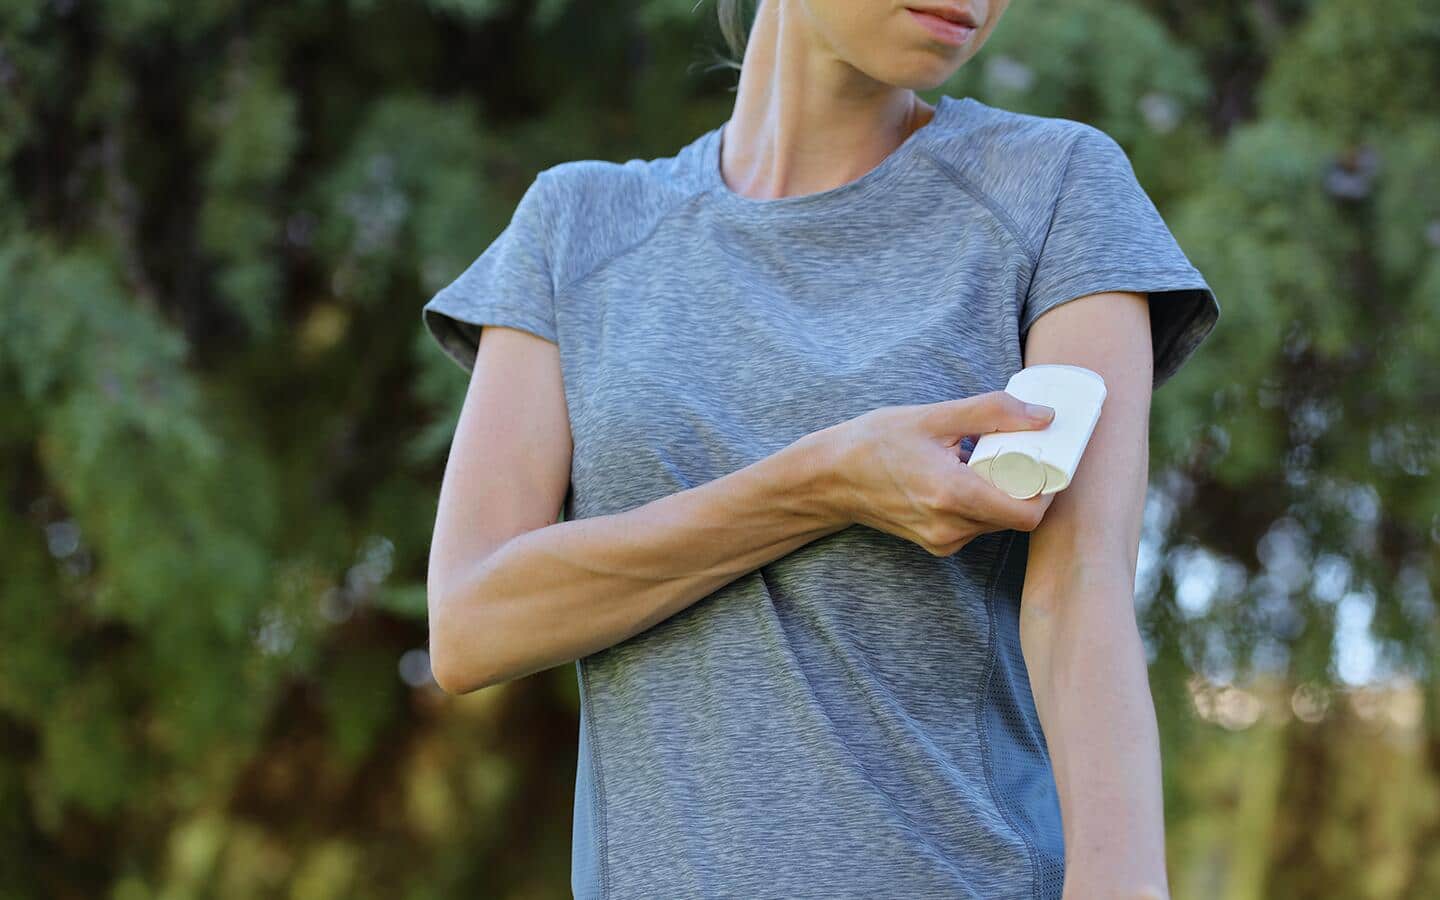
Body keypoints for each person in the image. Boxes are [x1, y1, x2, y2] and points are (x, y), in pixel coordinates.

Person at [421, 1, 1219, 897]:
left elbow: (1082, 592)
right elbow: (469, 622)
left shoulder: (1057, 187)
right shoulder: (577, 228)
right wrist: (827, 481)